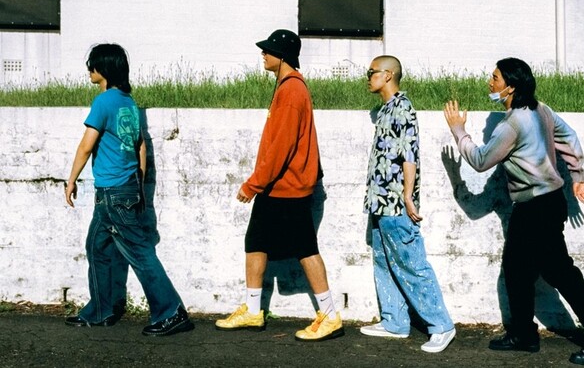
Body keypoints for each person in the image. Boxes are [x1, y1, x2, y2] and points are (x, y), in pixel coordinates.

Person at [443, 57, 584, 365]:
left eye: (494, 78)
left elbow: (481, 160)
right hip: (541, 204)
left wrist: (459, 131)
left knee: (561, 273)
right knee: (516, 269)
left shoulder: (512, 125)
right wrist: (577, 177)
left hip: (537, 207)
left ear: (510, 86)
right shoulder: (541, 110)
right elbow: (569, 138)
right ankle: (523, 334)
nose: (489, 82)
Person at [215, 29, 343, 342]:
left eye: (268, 50)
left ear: (282, 55)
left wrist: (253, 184)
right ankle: (254, 310)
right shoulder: (287, 87)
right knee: (256, 241)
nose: (263, 54)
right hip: (280, 186)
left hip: (286, 186)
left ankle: (329, 314)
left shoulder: (291, 92)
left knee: (304, 247)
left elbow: (281, 147)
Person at [64, 43, 194, 336]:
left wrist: (71, 179)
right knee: (96, 246)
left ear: (104, 69)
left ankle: (171, 312)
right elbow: (141, 145)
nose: (89, 69)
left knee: (139, 253)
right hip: (124, 190)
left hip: (112, 193)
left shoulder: (105, 102)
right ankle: (100, 309)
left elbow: (86, 145)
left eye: (93, 65)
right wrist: (139, 184)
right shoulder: (128, 102)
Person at [359, 55, 456, 353]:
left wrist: (407, 196)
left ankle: (441, 326)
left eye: (371, 72)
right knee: (384, 262)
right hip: (379, 202)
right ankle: (394, 321)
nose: (368, 77)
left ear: (388, 75)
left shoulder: (402, 108)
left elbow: (408, 156)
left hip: (396, 204)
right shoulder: (386, 109)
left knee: (412, 264)